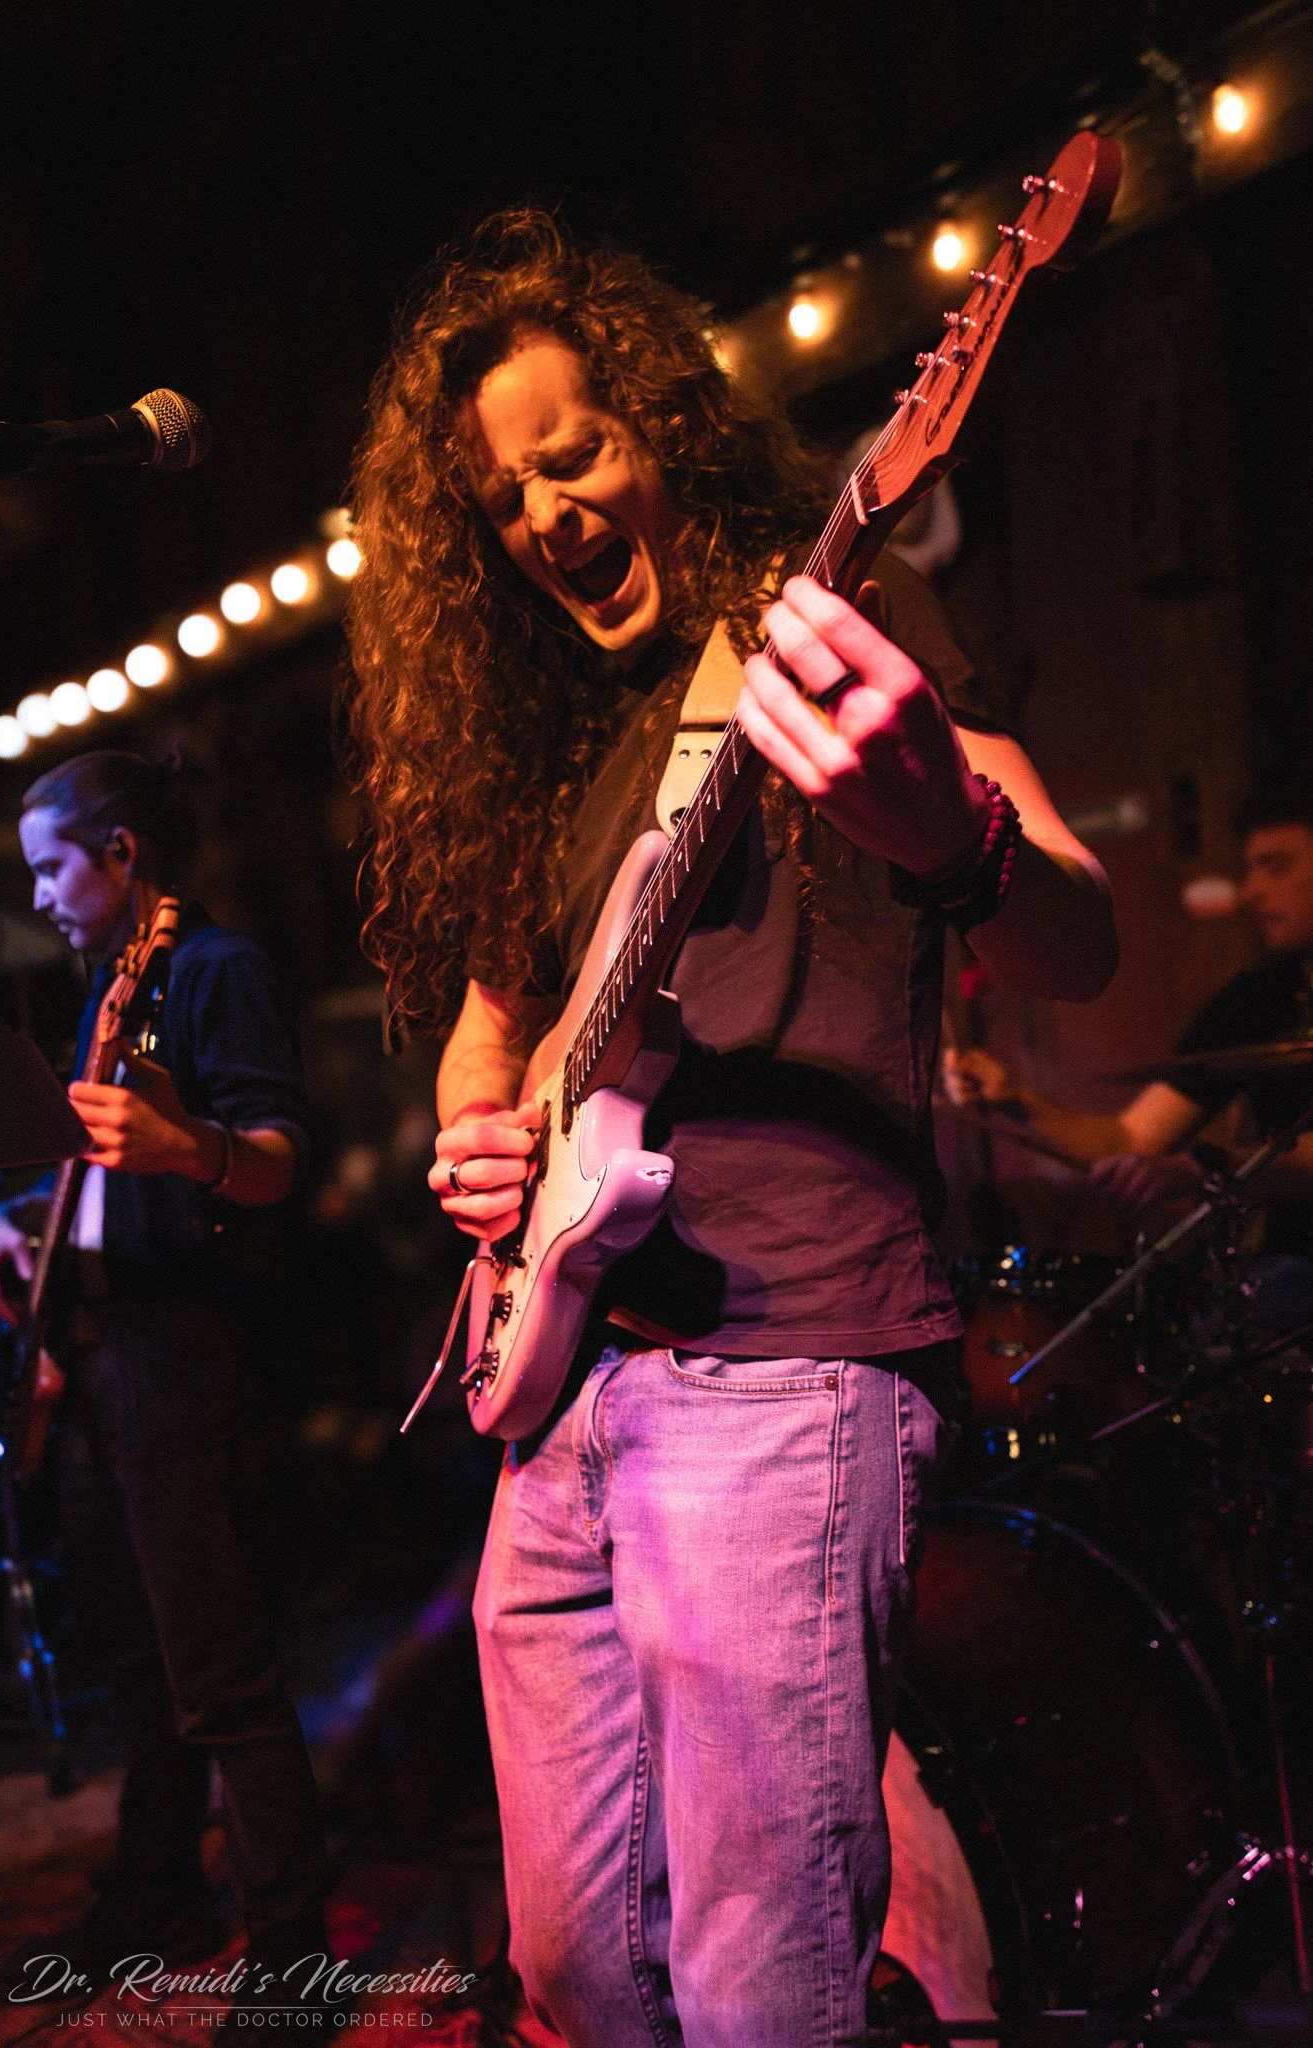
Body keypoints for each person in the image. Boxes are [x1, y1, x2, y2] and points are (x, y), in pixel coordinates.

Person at [344, 211, 1117, 2047]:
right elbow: (494, 1020)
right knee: (576, 1977)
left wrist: (953, 839)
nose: (544, 512)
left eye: (571, 451)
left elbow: (1077, 929)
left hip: (783, 1368)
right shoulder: (555, 753)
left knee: (765, 1981)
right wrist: (479, 1134)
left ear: (662, 432)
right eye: (502, 498)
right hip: (562, 1395)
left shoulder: (823, 621)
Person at [0, 752, 330, 1998]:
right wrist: (18, 1218)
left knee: (219, 1665)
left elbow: (276, 1161)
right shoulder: (107, 989)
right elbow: (100, 1179)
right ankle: (155, 1888)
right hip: (109, 1345)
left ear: (121, 853)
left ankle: (289, 1956)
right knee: (137, 1660)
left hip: (184, 1346)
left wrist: (186, 1145)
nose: (43, 894)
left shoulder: (214, 971)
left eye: (53, 865)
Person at [944, 770, 1313, 1336]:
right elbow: (1132, 1140)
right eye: (1249, 868)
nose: (1252, 889)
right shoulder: (1254, 999)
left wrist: (1205, 1170)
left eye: (1277, 866)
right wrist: (1012, 1100)